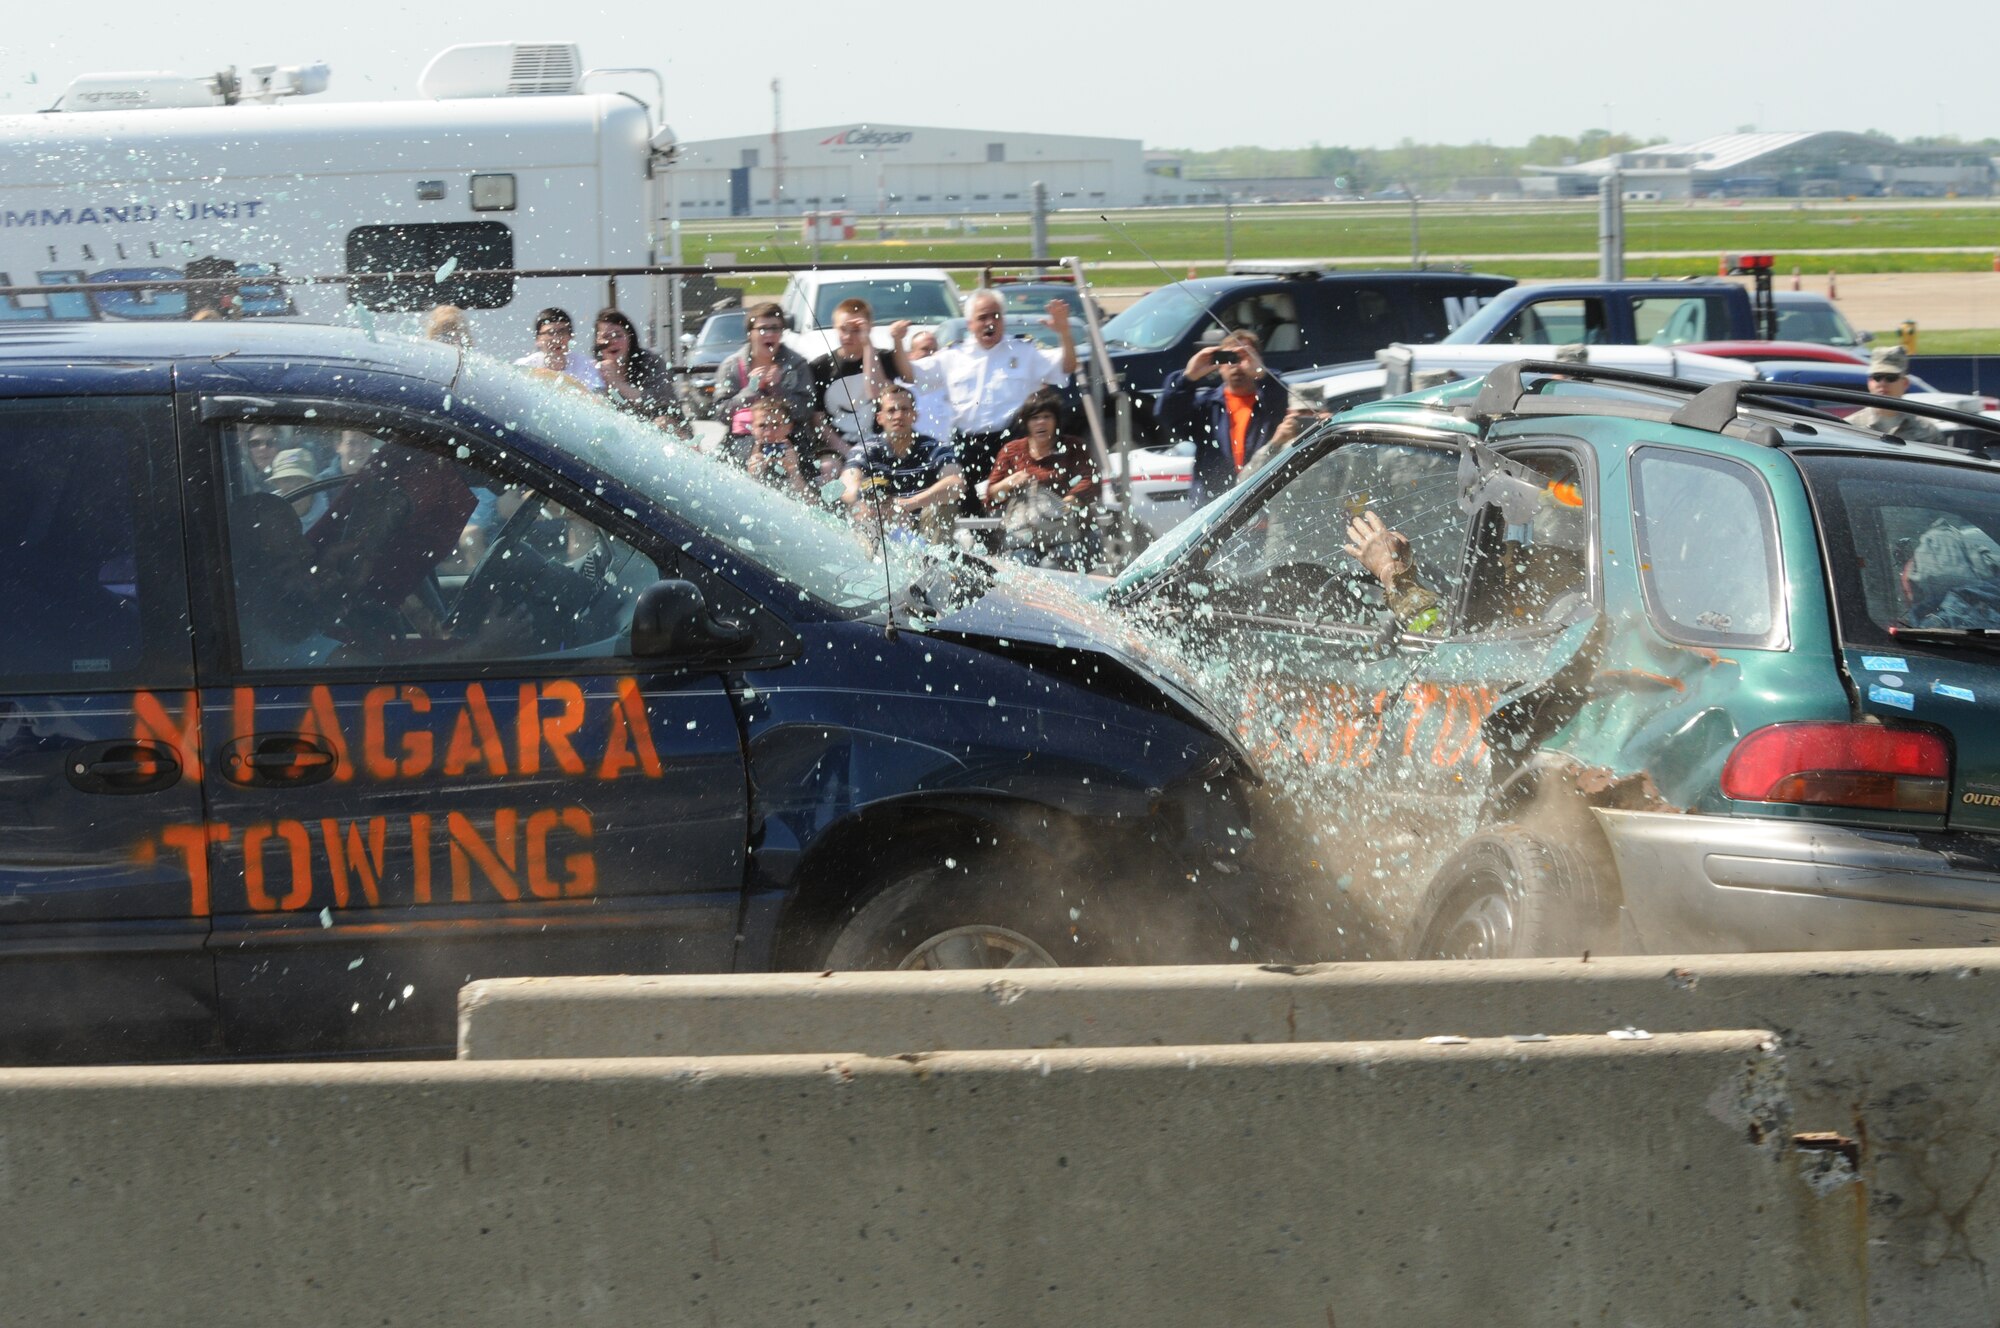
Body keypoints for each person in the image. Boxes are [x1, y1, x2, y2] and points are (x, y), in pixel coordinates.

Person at [889, 288, 1077, 513]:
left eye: (996, 316)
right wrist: (897, 342)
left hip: (1014, 443)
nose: (991, 323)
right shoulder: (954, 356)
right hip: (968, 445)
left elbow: (1066, 366)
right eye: (983, 317)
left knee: (1019, 506)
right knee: (960, 499)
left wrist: (1064, 332)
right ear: (969, 323)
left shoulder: (1023, 351)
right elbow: (911, 374)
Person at [1157, 328, 1290, 508]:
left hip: (1265, 501)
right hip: (1215, 507)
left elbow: (1284, 406)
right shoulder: (1208, 405)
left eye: (1244, 357)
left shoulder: (1271, 399)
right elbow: (1167, 416)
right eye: (1228, 358)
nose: (1236, 365)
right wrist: (1188, 377)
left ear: (1258, 360)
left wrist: (1261, 374)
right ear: (1218, 365)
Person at [984, 387, 1100, 570]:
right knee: (1021, 563)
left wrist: (1067, 503)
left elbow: (1091, 480)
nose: (1041, 423)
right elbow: (992, 496)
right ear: (1026, 423)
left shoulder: (1073, 447)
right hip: (1024, 536)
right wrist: (1009, 483)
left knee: (1051, 566)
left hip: (1069, 532)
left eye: (1046, 417)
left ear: (1056, 421)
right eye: (1035, 418)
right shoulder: (1011, 451)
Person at [839, 384, 962, 540]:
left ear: (914, 415)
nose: (898, 416)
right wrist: (868, 505)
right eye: (891, 410)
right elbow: (846, 486)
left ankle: (933, 562)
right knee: (858, 506)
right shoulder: (866, 449)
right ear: (880, 418)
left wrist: (905, 505)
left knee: (943, 507)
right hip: (881, 526)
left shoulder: (933, 448)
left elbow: (956, 483)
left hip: (924, 531)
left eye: (905, 410)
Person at [713, 301, 814, 461]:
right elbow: (721, 413)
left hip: (788, 437)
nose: (769, 334)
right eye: (762, 329)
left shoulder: (796, 365)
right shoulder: (731, 366)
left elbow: (806, 410)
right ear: (750, 334)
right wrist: (751, 390)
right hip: (744, 438)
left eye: (775, 328)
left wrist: (778, 389)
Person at [810, 297, 895, 464]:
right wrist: (848, 452)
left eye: (856, 330)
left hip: (880, 444)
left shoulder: (884, 359)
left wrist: (868, 346)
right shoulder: (820, 367)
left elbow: (877, 393)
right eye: (843, 329)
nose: (848, 336)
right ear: (835, 327)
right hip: (837, 447)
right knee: (828, 467)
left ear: (869, 328)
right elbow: (818, 422)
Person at [592, 307, 677, 428]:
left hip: (665, 429)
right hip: (620, 433)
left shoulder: (652, 363)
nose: (612, 342)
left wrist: (617, 384)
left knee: (662, 422)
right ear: (597, 342)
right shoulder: (594, 370)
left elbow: (655, 402)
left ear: (630, 338)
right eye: (606, 337)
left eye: (618, 335)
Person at [1849, 344, 1943, 444]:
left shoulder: (1927, 432)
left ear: (1905, 383)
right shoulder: (1850, 428)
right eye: (1877, 377)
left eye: (1890, 377)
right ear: (1869, 382)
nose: (1882, 383)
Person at [513, 308, 604, 390]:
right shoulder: (525, 367)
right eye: (550, 333)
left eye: (562, 332)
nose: (556, 339)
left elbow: (597, 398)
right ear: (538, 339)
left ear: (571, 336)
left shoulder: (586, 367)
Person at [742, 398, 814, 501]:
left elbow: (815, 505)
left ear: (788, 427)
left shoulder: (801, 453)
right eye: (762, 426)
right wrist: (752, 475)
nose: (769, 433)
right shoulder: (740, 451)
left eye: (776, 425)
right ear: (752, 428)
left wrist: (794, 472)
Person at [904, 327, 956, 446]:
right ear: (910, 355)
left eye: (934, 350)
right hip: (916, 450)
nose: (931, 354)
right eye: (925, 349)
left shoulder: (948, 382)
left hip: (945, 451)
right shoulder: (902, 387)